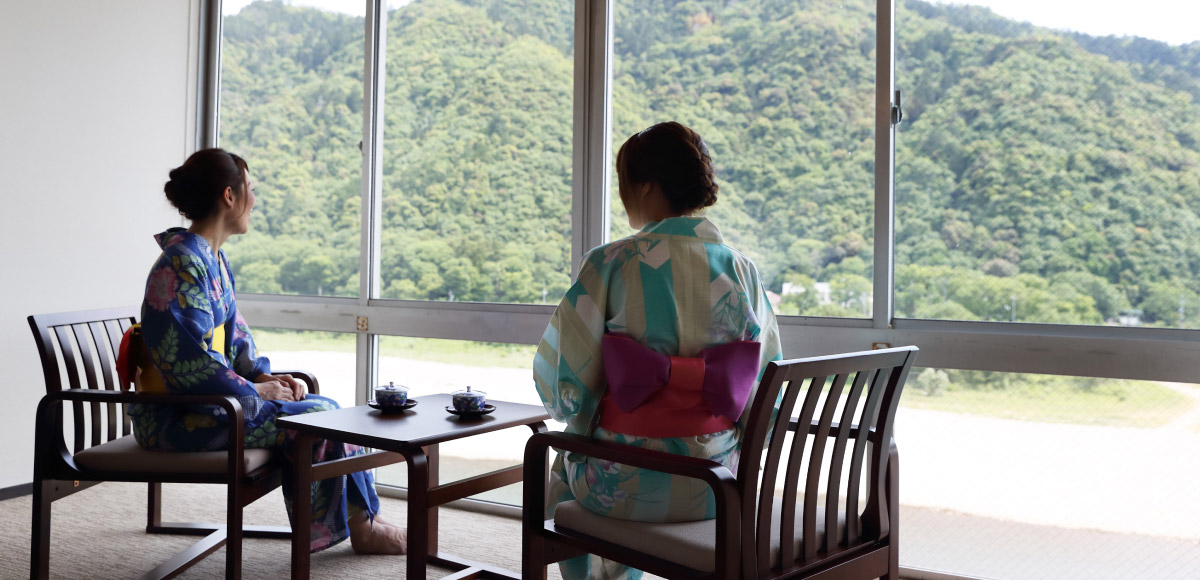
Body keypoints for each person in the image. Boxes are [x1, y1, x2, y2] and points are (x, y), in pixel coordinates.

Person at [533, 121, 783, 579]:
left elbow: (564, 380)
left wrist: (585, 417)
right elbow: (766, 388)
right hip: (718, 486)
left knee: (561, 465)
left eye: (625, 182)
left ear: (646, 187)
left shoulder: (610, 263)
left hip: (622, 485)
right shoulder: (743, 270)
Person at [128, 148, 407, 555]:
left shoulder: (212, 261)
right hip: (179, 416)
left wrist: (264, 377)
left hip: (215, 405)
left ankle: (367, 516)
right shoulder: (181, 264)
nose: (254, 200)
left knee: (329, 408)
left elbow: (236, 344)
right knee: (317, 418)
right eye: (251, 189)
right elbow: (189, 365)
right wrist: (257, 393)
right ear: (229, 195)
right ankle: (362, 527)